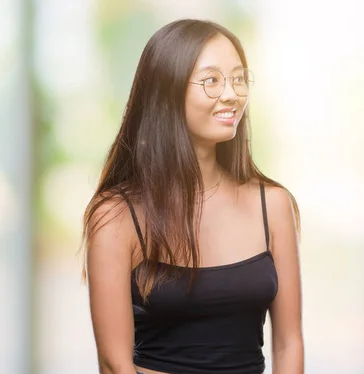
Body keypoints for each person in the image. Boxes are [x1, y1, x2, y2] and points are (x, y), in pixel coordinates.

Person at [81, 19, 303, 374]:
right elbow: (114, 364)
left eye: (238, 78)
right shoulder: (116, 216)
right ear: (166, 91)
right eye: (212, 80)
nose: (231, 94)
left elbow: (289, 343)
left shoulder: (274, 205)